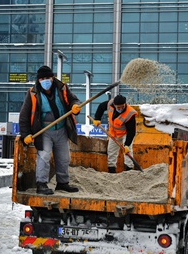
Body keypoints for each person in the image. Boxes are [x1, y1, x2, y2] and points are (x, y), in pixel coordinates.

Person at [19, 65, 82, 195]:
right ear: (38, 80)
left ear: (52, 78)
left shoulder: (62, 88)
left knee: (64, 157)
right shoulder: (33, 93)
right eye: (42, 78)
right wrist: (25, 134)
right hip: (44, 131)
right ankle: (41, 184)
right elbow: (24, 115)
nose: (45, 81)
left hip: (62, 129)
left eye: (48, 77)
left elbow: (72, 99)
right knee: (44, 156)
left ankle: (62, 183)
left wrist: (75, 105)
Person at [93, 94, 137, 173]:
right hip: (113, 133)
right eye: (118, 107)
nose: (120, 109)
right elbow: (101, 107)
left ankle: (129, 170)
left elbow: (131, 132)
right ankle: (112, 170)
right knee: (111, 151)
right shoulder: (110, 104)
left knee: (128, 151)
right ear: (114, 105)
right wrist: (97, 118)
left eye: (122, 107)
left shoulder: (130, 113)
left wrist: (127, 144)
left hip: (125, 134)